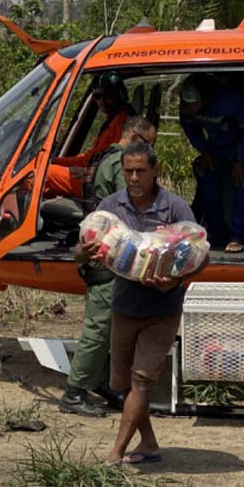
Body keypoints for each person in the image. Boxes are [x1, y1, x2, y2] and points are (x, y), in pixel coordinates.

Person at [81, 142, 204, 464]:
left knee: (141, 380)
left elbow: (199, 255)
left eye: (140, 171)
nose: (134, 178)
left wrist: (175, 281)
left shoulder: (175, 208)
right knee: (123, 386)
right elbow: (84, 248)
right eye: (128, 171)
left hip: (162, 309)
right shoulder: (111, 207)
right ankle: (148, 443)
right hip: (124, 306)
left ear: (155, 170)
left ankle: (115, 454)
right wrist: (84, 252)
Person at [61, 116, 158, 417]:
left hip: (105, 250)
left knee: (111, 325)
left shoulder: (105, 156)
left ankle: (101, 383)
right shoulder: (119, 163)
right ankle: (74, 393)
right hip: (110, 256)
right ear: (135, 138)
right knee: (99, 328)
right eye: (148, 145)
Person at [179, 74, 244, 253]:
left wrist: (242, 160)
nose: (191, 108)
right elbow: (190, 128)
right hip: (217, 145)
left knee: (241, 181)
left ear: (207, 97)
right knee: (209, 180)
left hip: (240, 141)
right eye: (188, 104)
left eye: (195, 103)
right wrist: (205, 151)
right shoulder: (187, 108)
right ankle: (217, 233)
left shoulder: (231, 100)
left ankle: (238, 235)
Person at [44, 71, 133, 198]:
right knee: (47, 168)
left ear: (121, 94)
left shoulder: (122, 122)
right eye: (97, 96)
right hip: (91, 173)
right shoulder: (112, 120)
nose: (102, 101)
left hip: (96, 180)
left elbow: (115, 163)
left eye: (109, 95)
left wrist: (89, 171)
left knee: (36, 176)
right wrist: (55, 161)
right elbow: (89, 158)